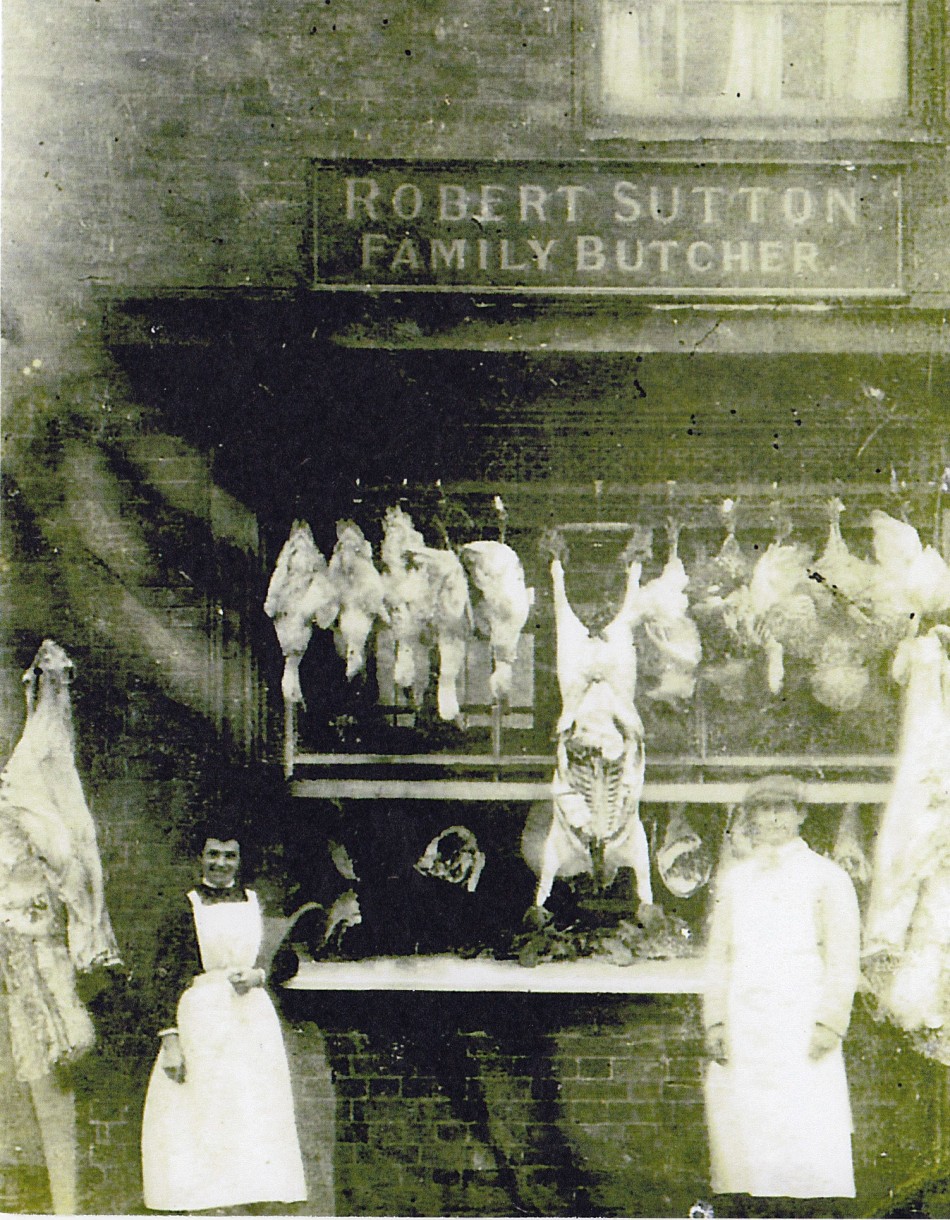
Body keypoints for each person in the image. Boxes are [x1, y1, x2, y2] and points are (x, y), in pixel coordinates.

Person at [702, 774, 861, 1202]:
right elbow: (719, 955)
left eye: (782, 808)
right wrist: (715, 1020)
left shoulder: (827, 877)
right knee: (748, 1145)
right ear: (749, 818)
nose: (772, 818)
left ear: (801, 815)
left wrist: (830, 1022)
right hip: (746, 1021)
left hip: (801, 1020)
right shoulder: (735, 880)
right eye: (761, 809)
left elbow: (844, 958)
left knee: (805, 1136)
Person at [140, 829, 306, 1213]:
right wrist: (170, 1039)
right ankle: (208, 1199)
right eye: (213, 854)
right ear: (200, 857)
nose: (220, 863)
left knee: (250, 1104)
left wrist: (259, 975)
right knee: (205, 1104)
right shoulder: (187, 906)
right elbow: (163, 974)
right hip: (204, 1014)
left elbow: (287, 957)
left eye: (229, 856)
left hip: (251, 1017)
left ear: (240, 860)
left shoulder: (254, 902)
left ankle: (250, 1193)